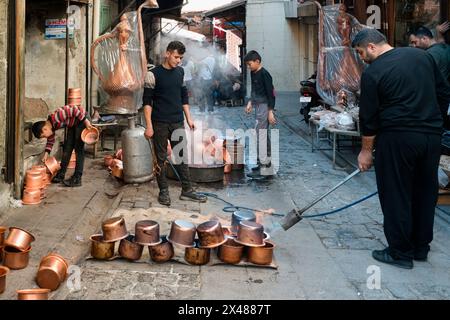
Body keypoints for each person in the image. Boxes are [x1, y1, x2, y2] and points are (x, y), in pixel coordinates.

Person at [352, 28, 450, 269]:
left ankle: (400, 252)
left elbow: (369, 118)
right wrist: (433, 122)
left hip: (397, 138)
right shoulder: (423, 57)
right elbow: (443, 92)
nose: (361, 57)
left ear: (372, 46)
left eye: (361, 52)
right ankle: (420, 247)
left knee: (396, 194)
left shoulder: (373, 72)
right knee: (425, 192)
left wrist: (366, 151)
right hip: (430, 137)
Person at [142, 40, 207, 206]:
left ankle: (187, 190)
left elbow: (183, 97)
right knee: (161, 158)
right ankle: (163, 191)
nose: (179, 61)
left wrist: (189, 118)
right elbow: (147, 102)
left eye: (181, 58)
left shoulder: (180, 73)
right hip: (159, 123)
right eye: (176, 57)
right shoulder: (152, 74)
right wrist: (149, 126)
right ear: (167, 54)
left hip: (177, 121)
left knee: (181, 156)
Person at [31, 94, 94, 187]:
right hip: (73, 124)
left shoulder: (57, 117)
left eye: (44, 136)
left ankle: (77, 178)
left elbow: (74, 109)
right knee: (67, 148)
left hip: (82, 119)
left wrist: (86, 121)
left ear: (45, 129)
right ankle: (61, 174)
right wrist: (46, 154)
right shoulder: (51, 125)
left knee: (78, 149)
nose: (46, 137)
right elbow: (50, 140)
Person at [244, 50, 276, 179]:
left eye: (249, 64)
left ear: (257, 61)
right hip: (258, 106)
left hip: (264, 107)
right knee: (260, 134)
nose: (248, 67)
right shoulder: (253, 72)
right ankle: (264, 164)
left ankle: (264, 166)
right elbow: (254, 90)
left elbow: (271, 94)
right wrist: (250, 102)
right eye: (247, 65)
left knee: (261, 135)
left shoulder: (265, 74)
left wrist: (270, 112)